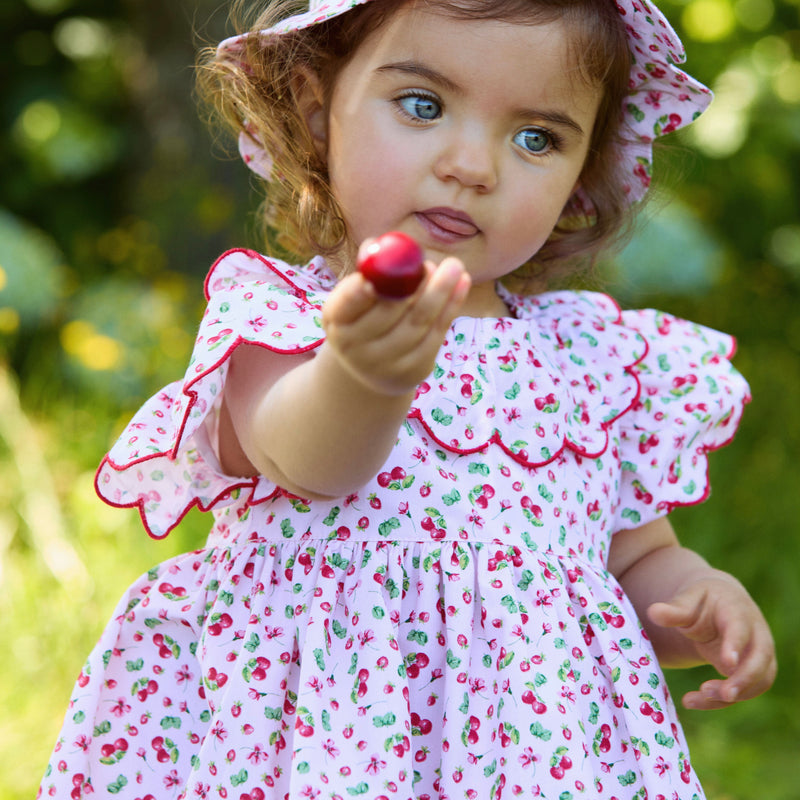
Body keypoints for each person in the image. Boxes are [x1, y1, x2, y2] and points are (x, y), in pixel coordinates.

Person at [39, 1, 776, 798]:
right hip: (330, 737)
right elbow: (308, 460)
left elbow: (633, 558)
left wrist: (697, 599)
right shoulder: (288, 317)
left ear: (581, 177)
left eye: (538, 138)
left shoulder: (590, 357)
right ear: (320, 115)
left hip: (536, 758)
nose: (473, 165)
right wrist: (363, 376)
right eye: (422, 106)